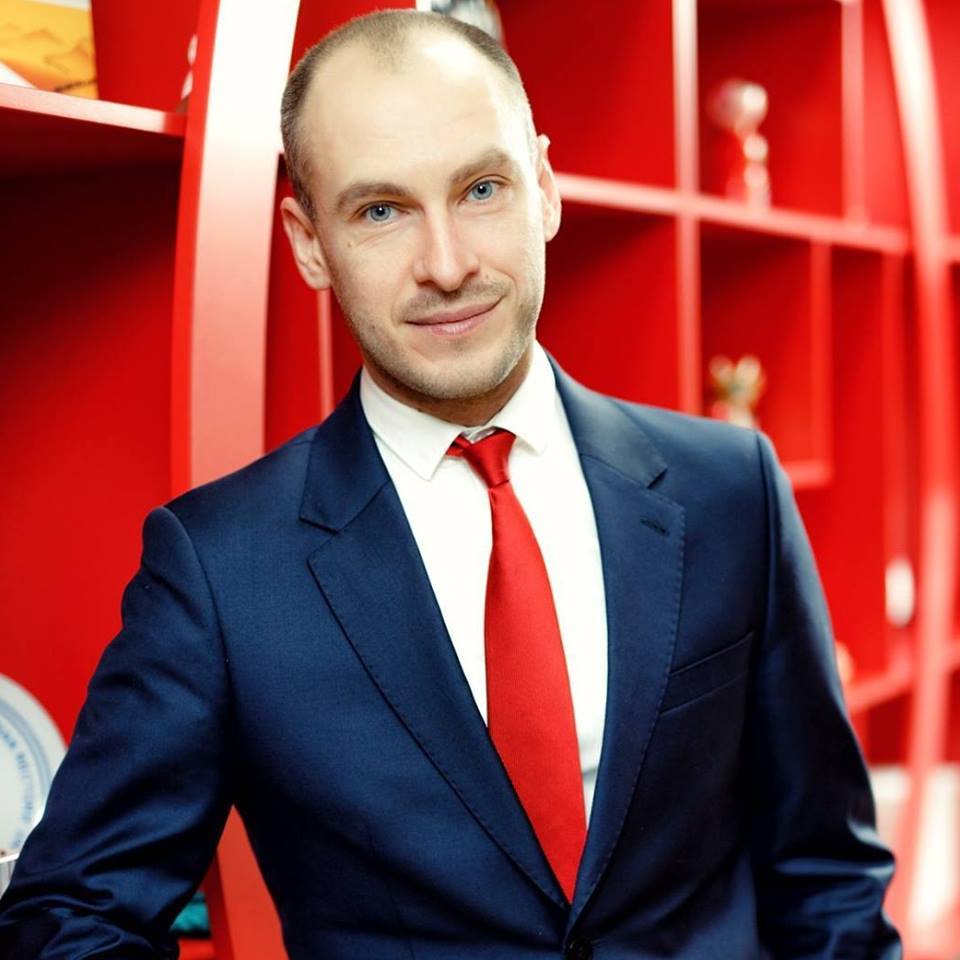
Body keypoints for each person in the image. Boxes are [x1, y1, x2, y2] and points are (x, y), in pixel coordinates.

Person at [0, 10, 901, 959]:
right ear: (309, 243)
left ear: (543, 189)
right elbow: (67, 917)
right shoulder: (221, 569)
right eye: (380, 212)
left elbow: (827, 878)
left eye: (480, 189)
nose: (448, 265)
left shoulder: (732, 491)